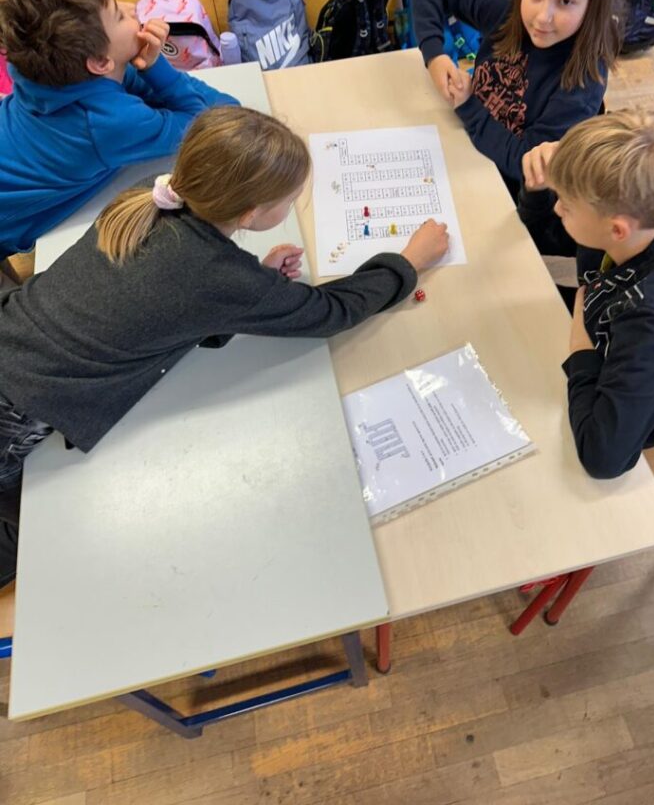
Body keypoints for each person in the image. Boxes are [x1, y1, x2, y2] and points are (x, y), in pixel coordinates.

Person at [0, 105, 449, 588]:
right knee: (37, 537)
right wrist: (408, 262)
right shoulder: (219, 276)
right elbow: (331, 312)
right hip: (19, 410)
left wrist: (253, 282)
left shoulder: (150, 194)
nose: (292, 207)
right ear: (252, 214)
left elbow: (162, 293)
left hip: (13, 336)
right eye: (289, 201)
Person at [519, 108, 654, 489]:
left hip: (636, 420)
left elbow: (602, 458)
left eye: (565, 202)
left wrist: (581, 348)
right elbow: (549, 235)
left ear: (616, 229)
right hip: (606, 335)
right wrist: (538, 189)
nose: (557, 207)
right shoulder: (634, 227)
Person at [0, 0, 238, 260]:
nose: (131, 8)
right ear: (100, 63)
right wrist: (156, 66)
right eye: (118, 14)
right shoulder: (109, 123)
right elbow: (209, 122)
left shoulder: (35, 72)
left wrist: (145, 67)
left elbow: (140, 86)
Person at [412, 0, 622, 200]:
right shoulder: (507, 3)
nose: (542, 17)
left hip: (507, 191)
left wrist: (470, 106)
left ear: (592, 6)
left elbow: (527, 165)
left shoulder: (583, 81)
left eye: (565, 2)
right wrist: (435, 54)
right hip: (466, 143)